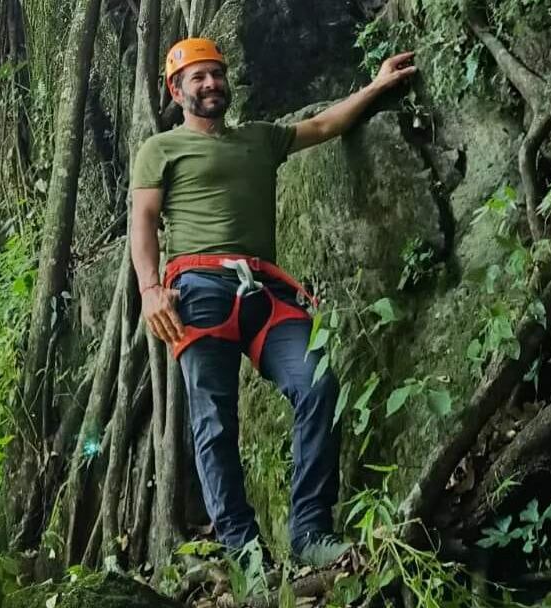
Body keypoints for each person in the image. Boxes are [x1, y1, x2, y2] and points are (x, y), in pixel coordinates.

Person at [130, 38, 416, 567]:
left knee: (317, 381)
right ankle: (246, 557)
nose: (211, 84)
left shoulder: (260, 139)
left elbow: (327, 126)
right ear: (176, 89)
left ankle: (309, 533)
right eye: (198, 78)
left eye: (216, 74)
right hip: (196, 289)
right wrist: (150, 290)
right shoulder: (160, 149)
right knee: (213, 420)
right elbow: (143, 222)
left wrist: (376, 85)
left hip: (265, 290)